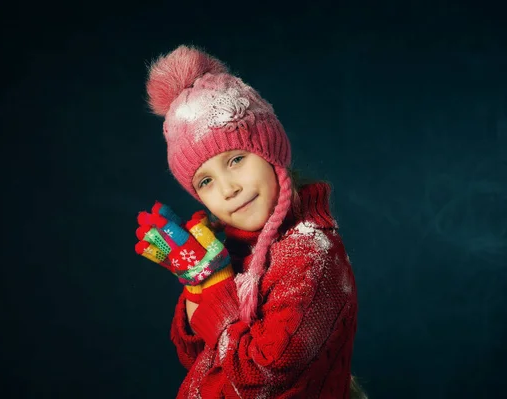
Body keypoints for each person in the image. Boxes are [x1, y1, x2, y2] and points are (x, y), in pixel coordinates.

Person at [135, 45, 367, 398]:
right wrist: (196, 282)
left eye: (236, 159)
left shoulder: (309, 255)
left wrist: (215, 286)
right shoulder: (230, 246)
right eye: (206, 181)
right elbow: (197, 356)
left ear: (270, 150)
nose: (228, 189)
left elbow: (261, 372)